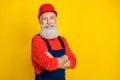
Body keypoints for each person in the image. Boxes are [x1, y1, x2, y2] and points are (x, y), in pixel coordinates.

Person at [31, 3, 76, 80]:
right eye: (45, 18)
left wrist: (54, 59)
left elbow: (73, 62)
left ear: (56, 19)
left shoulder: (62, 40)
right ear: (39, 20)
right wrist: (67, 57)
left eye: (52, 17)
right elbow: (49, 65)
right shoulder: (37, 40)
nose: (49, 22)